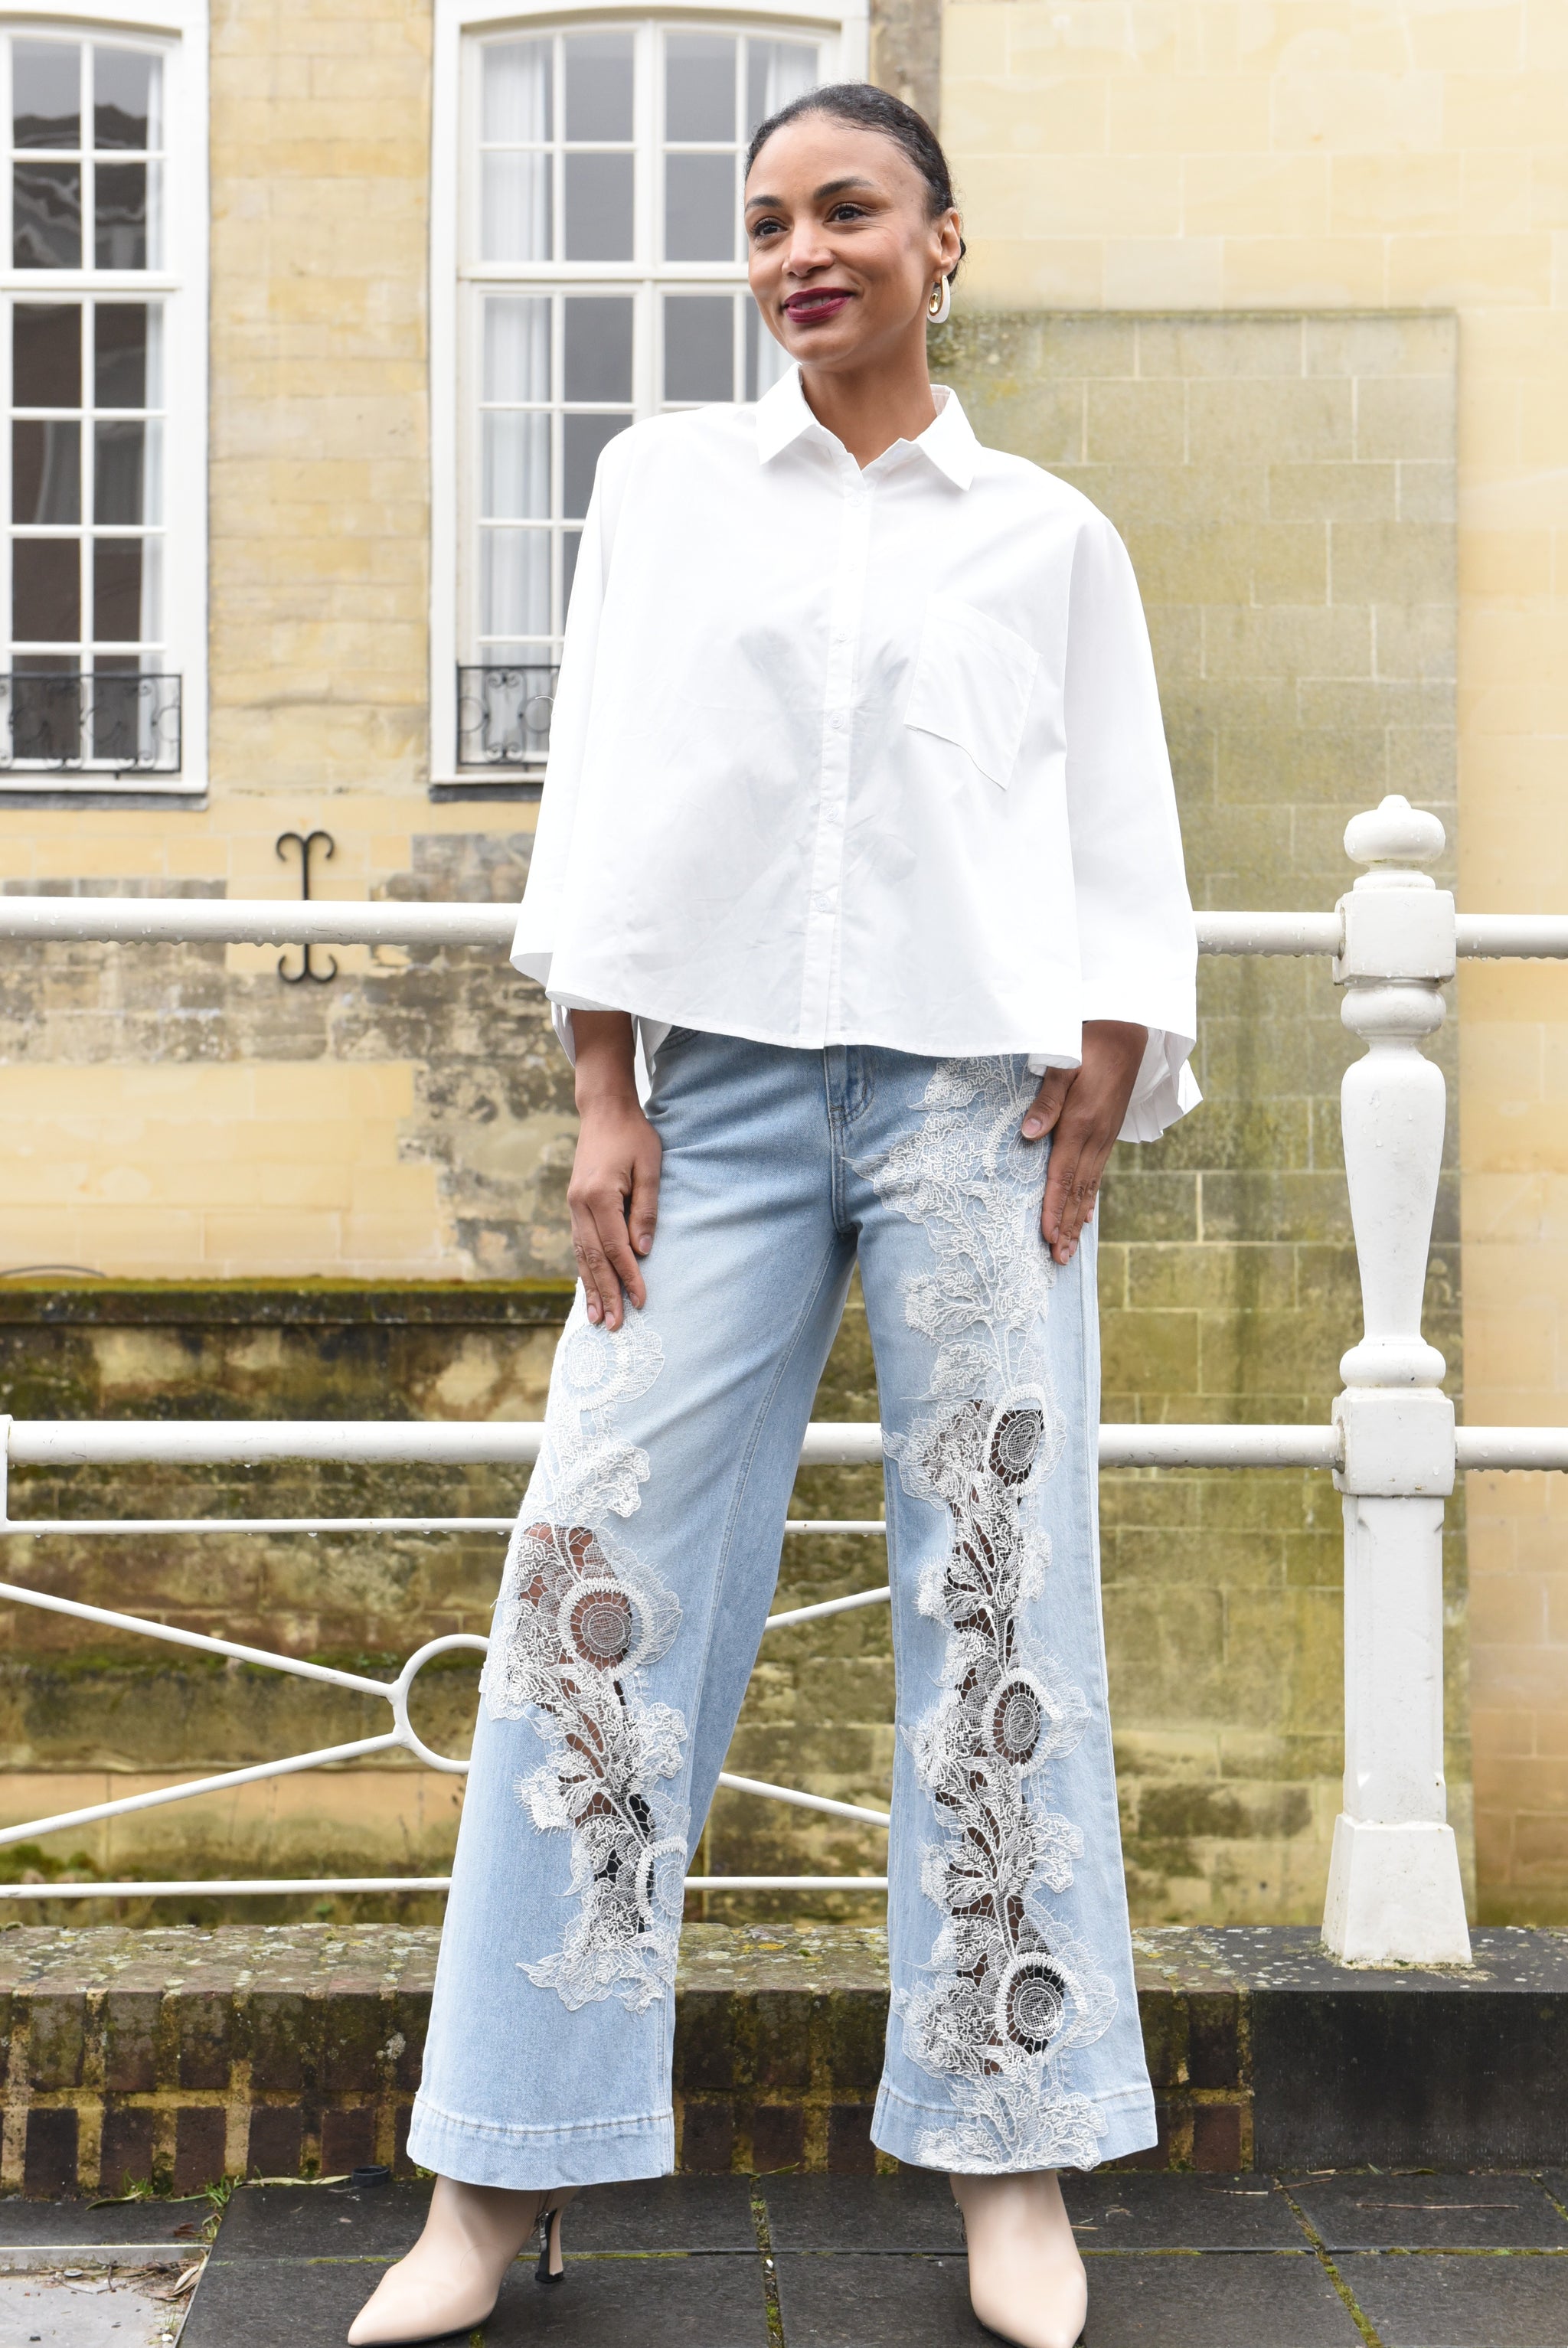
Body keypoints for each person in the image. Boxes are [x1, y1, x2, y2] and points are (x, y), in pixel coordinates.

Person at [349, 80, 1197, 2348]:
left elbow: (1117, 824)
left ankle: (1014, 2159)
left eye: (847, 211)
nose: (799, 251)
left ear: (944, 242)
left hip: (974, 1110)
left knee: (1002, 1606)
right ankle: (494, 2174)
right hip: (709, 1103)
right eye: (764, 223)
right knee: (590, 1583)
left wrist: (1106, 1068)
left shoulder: (1049, 537)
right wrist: (601, 1089)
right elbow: (608, 789)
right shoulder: (664, 489)